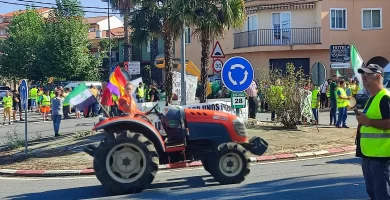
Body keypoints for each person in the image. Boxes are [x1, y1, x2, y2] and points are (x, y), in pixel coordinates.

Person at [355, 64, 390, 199]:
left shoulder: (385, 98)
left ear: (378, 76)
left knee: (382, 196)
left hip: (382, 158)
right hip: (369, 156)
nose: (363, 76)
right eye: (362, 74)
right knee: (374, 195)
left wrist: (368, 122)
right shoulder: (372, 98)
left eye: (367, 74)